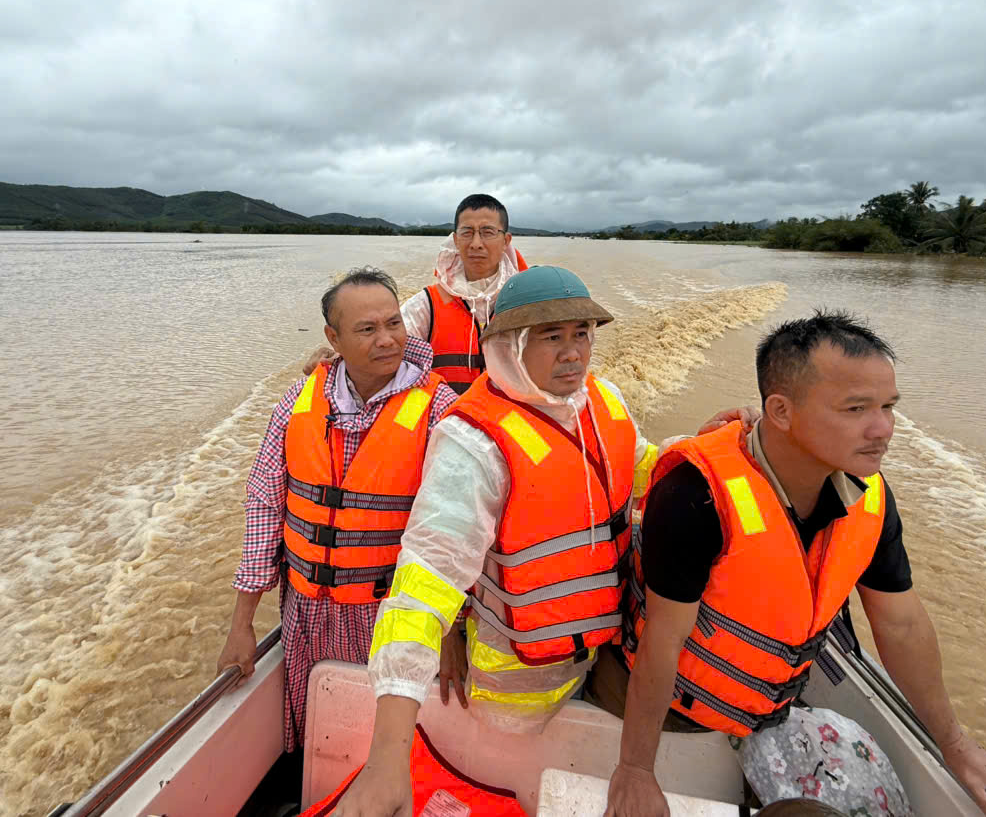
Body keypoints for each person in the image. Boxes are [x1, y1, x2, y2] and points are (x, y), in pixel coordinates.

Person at [329, 267, 743, 817]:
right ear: (506, 345)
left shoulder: (602, 400)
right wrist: (387, 762)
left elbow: (636, 467)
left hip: (603, 648)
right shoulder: (473, 443)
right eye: (551, 337)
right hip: (515, 691)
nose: (573, 353)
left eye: (582, 334)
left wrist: (702, 450)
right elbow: (421, 589)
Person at [603, 311, 986, 817]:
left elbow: (902, 624)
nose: (882, 428)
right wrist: (636, 771)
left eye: (888, 406)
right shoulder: (696, 495)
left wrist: (957, 748)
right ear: (780, 411)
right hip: (668, 709)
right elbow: (661, 644)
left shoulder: (868, 497)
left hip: (769, 709)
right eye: (855, 408)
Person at [217, 267, 461, 755]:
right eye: (367, 330)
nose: (387, 339)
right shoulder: (298, 403)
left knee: (389, 747)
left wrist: (451, 632)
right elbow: (266, 505)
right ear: (333, 337)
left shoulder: (440, 410)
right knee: (318, 743)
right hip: (306, 614)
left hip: (395, 617)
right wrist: (241, 624)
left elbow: (452, 534)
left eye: (394, 323)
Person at [304, 193, 527, 393]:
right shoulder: (427, 305)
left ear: (506, 240)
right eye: (467, 233)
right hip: (445, 422)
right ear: (456, 239)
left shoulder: (528, 300)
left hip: (509, 423)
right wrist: (338, 357)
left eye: (487, 232)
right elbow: (382, 344)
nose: (476, 243)